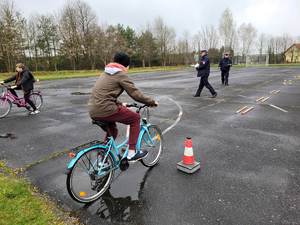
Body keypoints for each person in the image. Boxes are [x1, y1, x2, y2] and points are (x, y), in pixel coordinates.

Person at [88, 52, 158, 161]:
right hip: (106, 109)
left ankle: (102, 160)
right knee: (135, 118)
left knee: (113, 131)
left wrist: (120, 104)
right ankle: (132, 152)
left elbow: (104, 95)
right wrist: (151, 102)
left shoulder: (105, 73)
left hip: (93, 110)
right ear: (127, 65)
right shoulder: (121, 74)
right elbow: (135, 94)